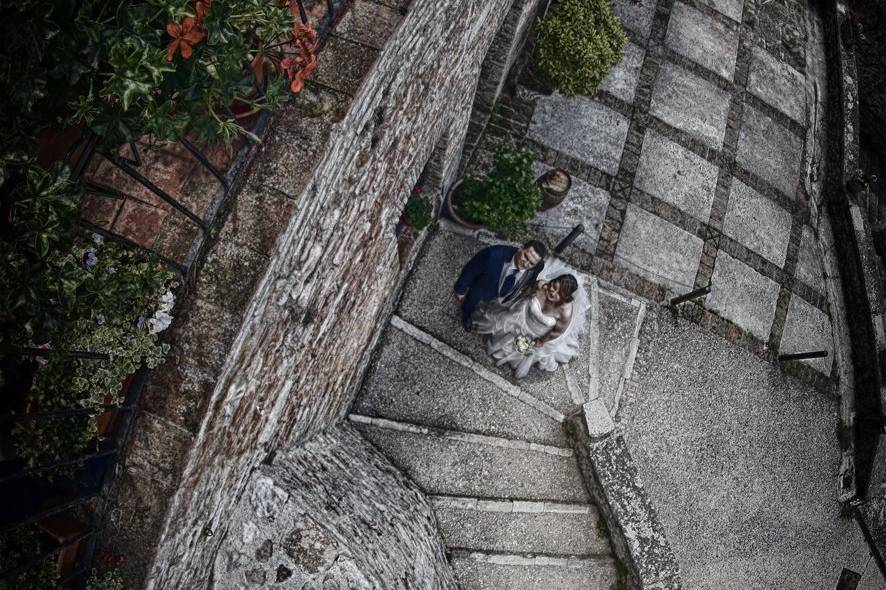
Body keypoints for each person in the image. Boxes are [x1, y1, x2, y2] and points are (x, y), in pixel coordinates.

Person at [474, 258, 588, 379]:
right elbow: (525, 294)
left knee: (526, 352)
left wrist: (542, 341)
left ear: (565, 298)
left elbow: (557, 332)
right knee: (501, 328)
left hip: (539, 332)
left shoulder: (565, 312)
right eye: (553, 286)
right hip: (522, 316)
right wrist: (511, 306)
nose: (552, 291)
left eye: (558, 293)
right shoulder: (540, 285)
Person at [453, 240, 548, 331]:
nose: (526, 264)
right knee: (470, 302)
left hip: (507, 294)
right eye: (526, 257)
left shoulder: (539, 266)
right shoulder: (492, 254)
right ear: (521, 248)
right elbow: (470, 270)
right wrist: (460, 289)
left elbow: (532, 277)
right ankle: (466, 316)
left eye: (531, 263)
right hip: (483, 287)